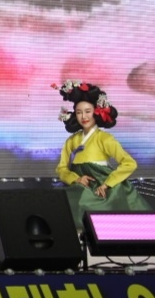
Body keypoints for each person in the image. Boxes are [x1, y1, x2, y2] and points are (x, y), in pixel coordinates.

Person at [54, 80, 152, 228]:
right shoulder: (71, 141)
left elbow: (129, 163)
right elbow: (61, 168)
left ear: (96, 112)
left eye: (88, 111)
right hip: (79, 183)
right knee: (65, 204)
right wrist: (76, 178)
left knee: (93, 206)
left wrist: (107, 184)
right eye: (79, 112)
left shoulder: (105, 138)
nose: (84, 116)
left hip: (102, 182)